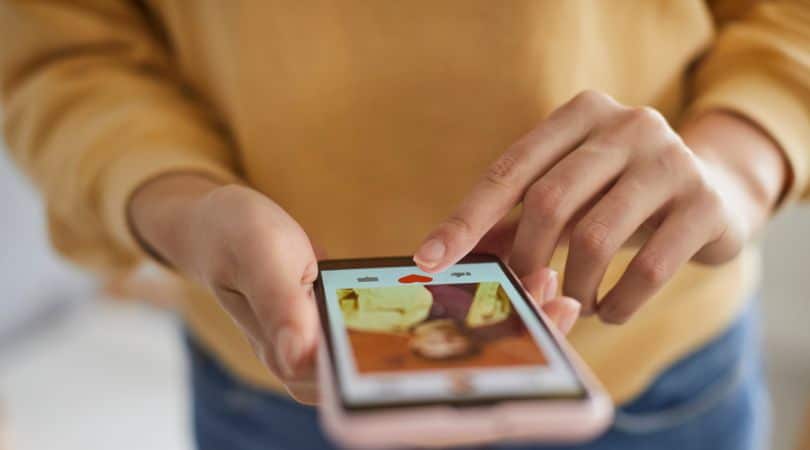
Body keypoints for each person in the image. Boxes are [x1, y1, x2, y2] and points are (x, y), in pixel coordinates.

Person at [1, 1, 808, 449]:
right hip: (278, 383)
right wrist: (183, 205)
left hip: (655, 370)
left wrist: (734, 170)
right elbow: (63, 46)